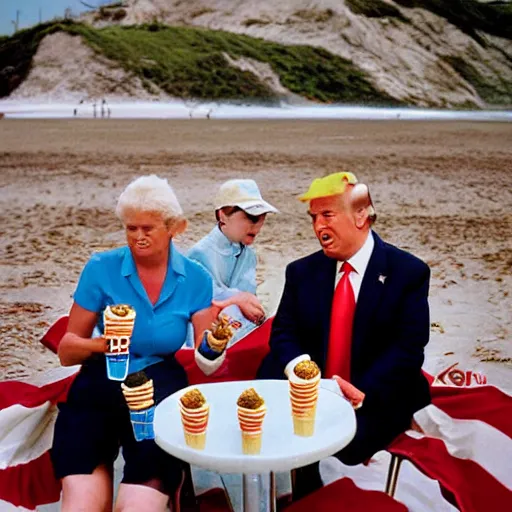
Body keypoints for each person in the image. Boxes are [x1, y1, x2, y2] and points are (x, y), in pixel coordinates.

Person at [258, 171, 431, 497]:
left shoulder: (408, 272)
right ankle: (301, 495)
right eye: (313, 218)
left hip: (372, 395)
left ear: (361, 215)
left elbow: (408, 350)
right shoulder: (301, 272)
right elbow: (283, 333)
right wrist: (303, 374)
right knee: (283, 428)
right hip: (309, 394)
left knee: (340, 444)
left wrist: (361, 391)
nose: (318, 227)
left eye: (327, 215)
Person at [51, 175, 214, 512]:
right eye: (130, 228)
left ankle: (171, 484)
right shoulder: (101, 268)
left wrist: (217, 341)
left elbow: (206, 358)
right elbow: (67, 351)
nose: (138, 237)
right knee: (81, 506)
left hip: (160, 385)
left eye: (148, 228)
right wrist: (105, 344)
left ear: (173, 227)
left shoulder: (196, 277)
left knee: (138, 507)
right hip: (100, 384)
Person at [187, 179, 278, 358]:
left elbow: (248, 296)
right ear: (222, 216)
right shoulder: (200, 252)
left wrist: (252, 307)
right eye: (251, 217)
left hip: (237, 328)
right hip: (202, 336)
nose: (258, 224)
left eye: (262, 217)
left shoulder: (248, 255)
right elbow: (200, 303)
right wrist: (239, 300)